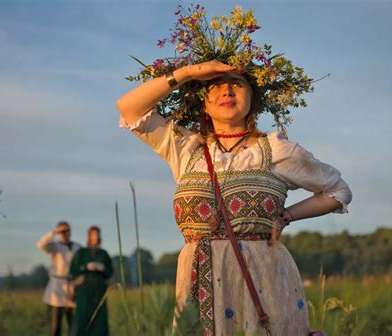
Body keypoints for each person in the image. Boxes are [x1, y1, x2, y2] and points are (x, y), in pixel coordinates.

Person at [116, 6, 352, 335]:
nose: (227, 90)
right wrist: (188, 73)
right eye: (215, 85)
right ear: (203, 102)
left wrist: (286, 216)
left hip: (265, 283)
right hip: (198, 285)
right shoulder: (187, 148)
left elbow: (338, 191)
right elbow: (129, 109)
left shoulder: (275, 149)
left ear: (252, 100)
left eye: (237, 84)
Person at [37, 221, 81, 336]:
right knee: (55, 326)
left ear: (70, 231)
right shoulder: (55, 246)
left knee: (73, 324)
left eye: (66, 231)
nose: (64, 233)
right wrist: (54, 233)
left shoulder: (77, 247)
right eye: (62, 231)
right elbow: (41, 245)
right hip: (57, 286)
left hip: (72, 286)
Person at [69, 226, 113, 336]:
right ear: (89, 236)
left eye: (97, 234)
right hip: (84, 288)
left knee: (100, 319)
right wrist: (85, 267)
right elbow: (73, 269)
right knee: (82, 317)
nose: (96, 236)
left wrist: (102, 268)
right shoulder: (81, 252)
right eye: (93, 234)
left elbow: (110, 271)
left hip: (99, 289)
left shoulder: (104, 253)